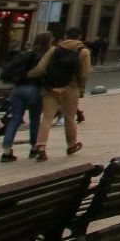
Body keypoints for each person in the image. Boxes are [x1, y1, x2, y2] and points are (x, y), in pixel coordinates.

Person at [27, 26, 91, 161]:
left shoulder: (54, 49)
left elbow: (40, 68)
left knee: (47, 118)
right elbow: (84, 74)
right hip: (71, 87)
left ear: (66, 36)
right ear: (79, 37)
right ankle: (71, 145)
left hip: (51, 88)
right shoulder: (83, 51)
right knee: (69, 118)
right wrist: (81, 88)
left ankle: (41, 146)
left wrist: (28, 75)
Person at [0, 32, 48, 162]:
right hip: (34, 89)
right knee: (35, 119)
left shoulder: (23, 55)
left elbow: (7, 70)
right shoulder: (43, 56)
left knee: (15, 119)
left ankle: (6, 151)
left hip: (18, 89)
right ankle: (34, 147)